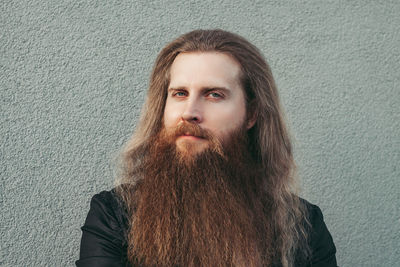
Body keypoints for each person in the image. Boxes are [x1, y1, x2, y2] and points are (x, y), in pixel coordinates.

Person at [76, 29, 337, 267]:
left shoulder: (304, 227)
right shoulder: (114, 215)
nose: (189, 113)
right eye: (179, 93)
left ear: (252, 114)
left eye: (214, 94)